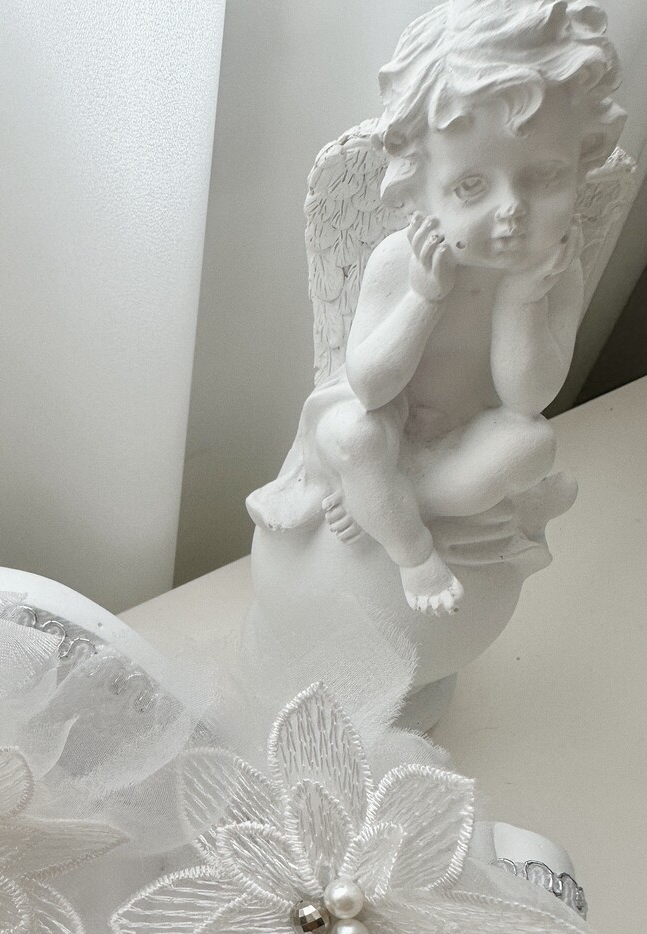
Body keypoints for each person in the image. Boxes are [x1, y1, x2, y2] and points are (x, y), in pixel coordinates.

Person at [248, 0, 624, 613]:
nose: (512, 211)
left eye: (546, 177)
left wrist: (523, 300)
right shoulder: (402, 260)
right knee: (355, 436)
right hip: (383, 416)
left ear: (582, 167)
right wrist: (426, 298)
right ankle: (412, 552)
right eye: (472, 186)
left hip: (463, 436)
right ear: (420, 185)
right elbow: (370, 386)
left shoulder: (555, 269)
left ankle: (387, 501)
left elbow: (526, 399)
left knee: (531, 444)